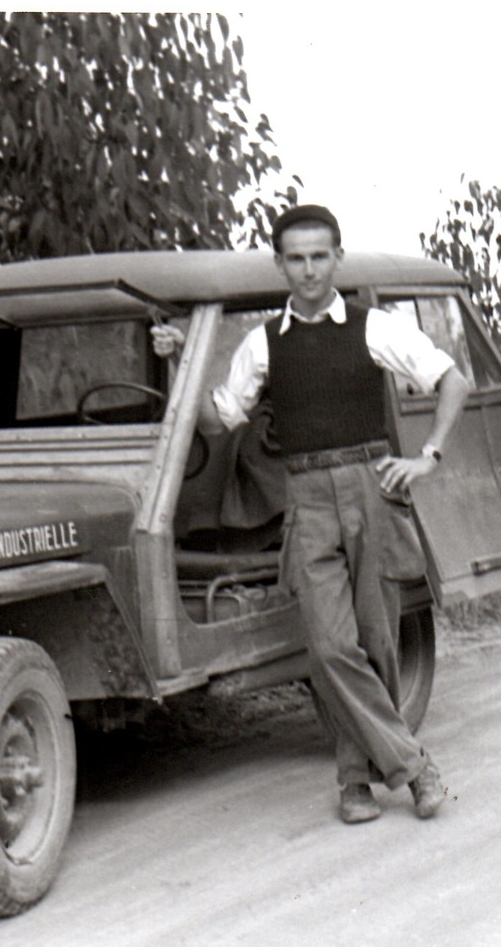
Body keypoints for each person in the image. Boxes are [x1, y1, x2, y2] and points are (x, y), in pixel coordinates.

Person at [154, 205, 470, 822]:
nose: (308, 270)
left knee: (376, 638)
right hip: (304, 497)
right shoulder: (263, 344)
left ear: (337, 259)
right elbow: (219, 419)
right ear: (280, 264)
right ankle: (415, 769)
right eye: (295, 258)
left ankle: (354, 783)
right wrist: (176, 365)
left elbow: (451, 380)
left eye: (319, 256)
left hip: (370, 485)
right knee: (328, 647)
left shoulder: (373, 328)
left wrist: (427, 457)